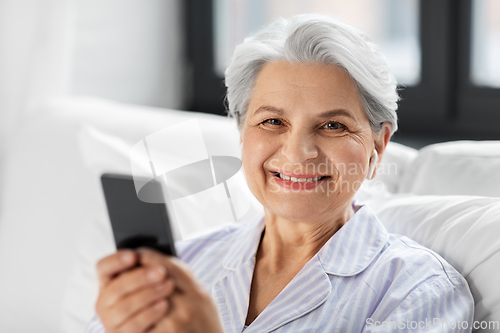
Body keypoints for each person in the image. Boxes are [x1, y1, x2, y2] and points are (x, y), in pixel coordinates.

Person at [86, 14, 474, 333]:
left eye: (333, 126)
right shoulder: (182, 266)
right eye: (272, 121)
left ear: (378, 145)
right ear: (241, 133)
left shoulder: (420, 292)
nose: (298, 152)